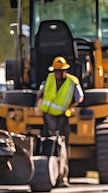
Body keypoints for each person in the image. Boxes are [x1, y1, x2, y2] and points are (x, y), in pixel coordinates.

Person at [36, 56, 84, 185]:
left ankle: (63, 177)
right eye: (56, 71)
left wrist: (71, 108)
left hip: (62, 116)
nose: (58, 73)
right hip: (48, 115)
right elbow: (40, 93)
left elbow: (79, 98)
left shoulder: (72, 81)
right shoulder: (49, 79)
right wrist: (37, 107)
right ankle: (49, 175)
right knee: (49, 144)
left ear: (65, 70)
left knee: (61, 145)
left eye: (60, 71)